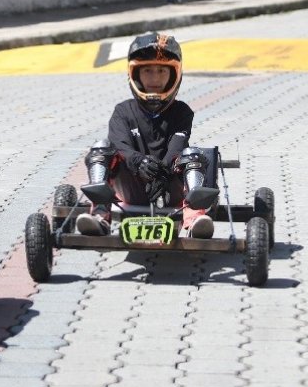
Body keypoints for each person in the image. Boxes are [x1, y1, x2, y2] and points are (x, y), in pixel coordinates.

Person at [76, 32, 215, 238]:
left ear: (174, 74)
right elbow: (119, 144)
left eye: (161, 71)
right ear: (135, 74)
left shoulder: (182, 112)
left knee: (192, 153)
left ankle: (195, 218)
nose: (155, 78)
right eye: (148, 71)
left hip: (170, 191)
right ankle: (99, 214)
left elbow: (177, 147)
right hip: (130, 189)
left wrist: (160, 173)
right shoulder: (122, 111)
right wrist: (139, 162)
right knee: (101, 149)